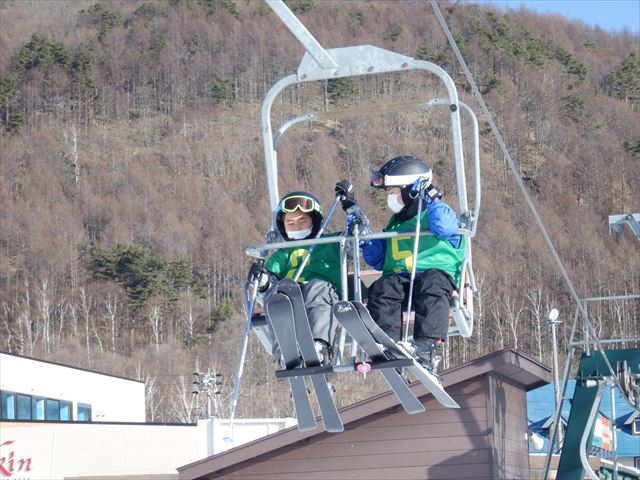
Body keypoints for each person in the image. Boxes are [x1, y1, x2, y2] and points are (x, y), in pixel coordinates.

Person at [349, 155, 466, 372]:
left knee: (431, 285)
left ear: (410, 190)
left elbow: (444, 228)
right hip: (401, 278)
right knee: (382, 287)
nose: (390, 198)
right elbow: (377, 260)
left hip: (435, 275)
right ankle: (388, 343)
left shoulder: (435, 213)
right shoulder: (395, 223)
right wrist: (364, 237)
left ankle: (426, 345)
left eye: (393, 192)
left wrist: (431, 199)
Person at [247, 191, 342, 366]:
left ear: (315, 221)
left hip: (323, 293)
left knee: (316, 288)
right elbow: (268, 290)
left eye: (303, 221)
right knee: (279, 297)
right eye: (290, 223)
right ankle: (287, 352)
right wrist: (262, 282)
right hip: (292, 294)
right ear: (283, 226)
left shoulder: (331, 242)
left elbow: (355, 248)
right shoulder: (282, 254)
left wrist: (354, 217)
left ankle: (319, 346)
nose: (297, 227)